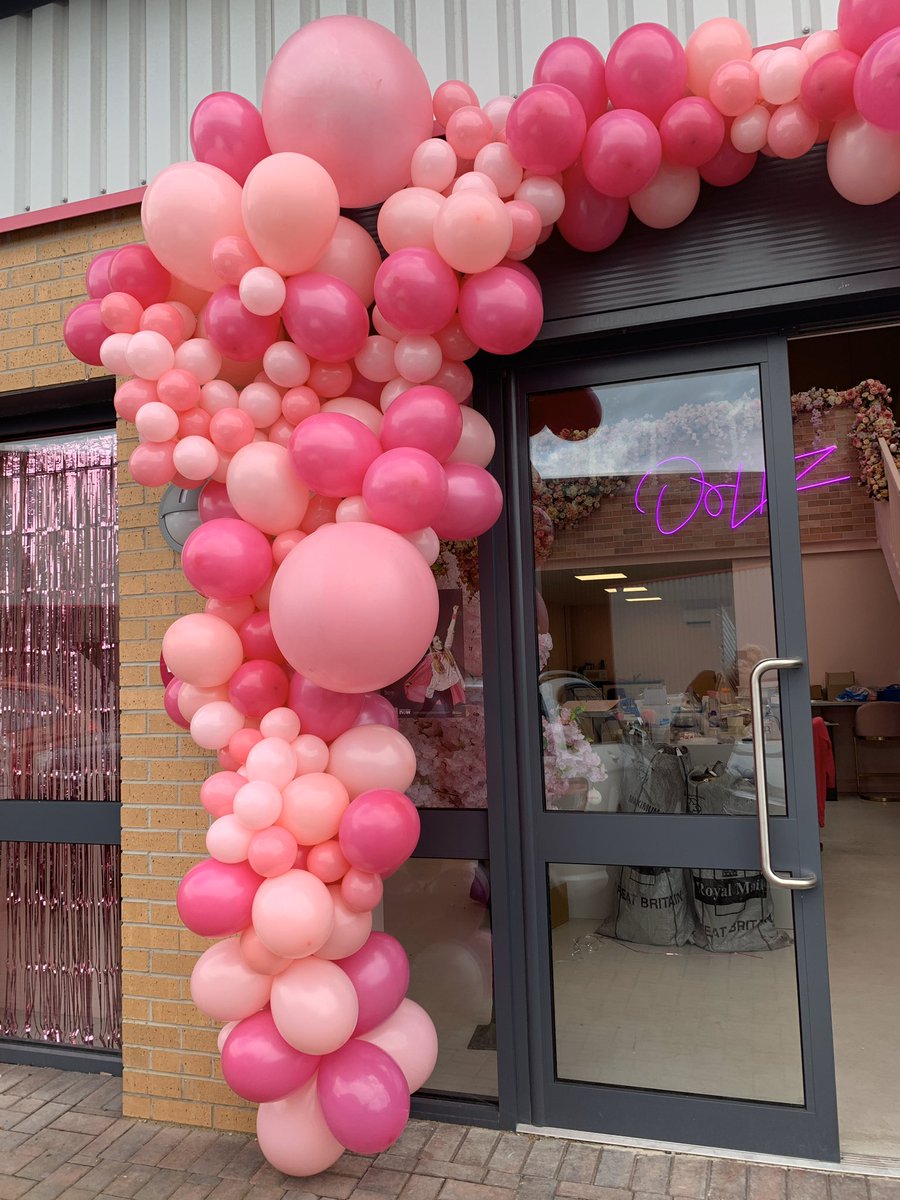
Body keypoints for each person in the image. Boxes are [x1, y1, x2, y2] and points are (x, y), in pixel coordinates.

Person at [404, 604, 465, 715]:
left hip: (446, 689)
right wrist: (411, 682)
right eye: (436, 641)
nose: (440, 642)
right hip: (434, 690)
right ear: (432, 646)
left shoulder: (447, 650)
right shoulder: (430, 659)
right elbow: (421, 672)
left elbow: (450, 631)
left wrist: (454, 614)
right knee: (424, 711)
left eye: (439, 640)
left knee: (450, 712)